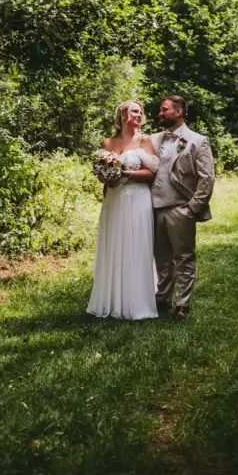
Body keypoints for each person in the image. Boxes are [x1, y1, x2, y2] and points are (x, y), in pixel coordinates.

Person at [87, 100, 160, 320]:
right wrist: (106, 176)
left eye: (141, 112)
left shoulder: (144, 140)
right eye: (135, 111)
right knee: (114, 244)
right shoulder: (108, 142)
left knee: (136, 245)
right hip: (114, 199)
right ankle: (111, 300)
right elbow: (101, 174)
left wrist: (125, 174)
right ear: (123, 114)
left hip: (138, 198)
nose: (139, 115)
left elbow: (151, 172)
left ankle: (137, 301)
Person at [150, 95, 216, 319]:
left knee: (184, 258)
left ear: (178, 112)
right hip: (154, 209)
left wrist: (192, 209)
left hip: (181, 209)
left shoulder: (197, 141)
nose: (160, 113)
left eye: (164, 109)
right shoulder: (153, 139)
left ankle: (183, 305)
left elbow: (207, 178)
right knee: (162, 259)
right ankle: (162, 299)